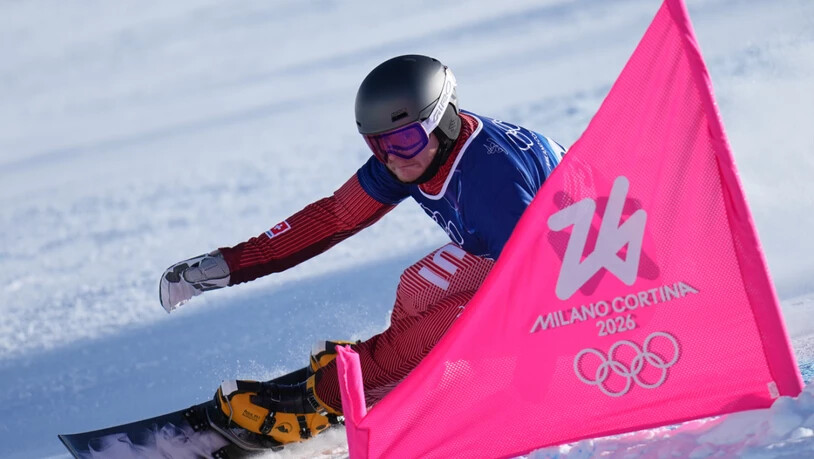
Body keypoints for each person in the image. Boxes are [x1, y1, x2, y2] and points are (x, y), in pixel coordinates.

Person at [159, 54, 566, 447]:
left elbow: (538, 294)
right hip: (533, 254)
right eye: (378, 145)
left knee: (453, 322)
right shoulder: (420, 153)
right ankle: (396, 380)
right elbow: (336, 217)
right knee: (418, 287)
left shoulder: (492, 186)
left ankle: (331, 398)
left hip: (593, 281)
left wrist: (534, 399)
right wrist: (231, 264)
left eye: (403, 140)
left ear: (442, 118)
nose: (392, 158)